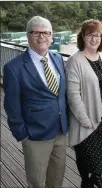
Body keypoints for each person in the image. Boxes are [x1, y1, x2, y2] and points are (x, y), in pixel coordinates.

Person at [3, 16, 68, 188]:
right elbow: (11, 105)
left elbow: (61, 94)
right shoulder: (14, 67)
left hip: (60, 132)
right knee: (37, 182)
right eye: (36, 32)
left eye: (45, 33)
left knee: (57, 179)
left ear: (51, 36)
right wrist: (23, 135)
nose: (41, 37)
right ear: (28, 36)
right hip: (35, 136)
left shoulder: (58, 59)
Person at [66, 19, 102, 188]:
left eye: (97, 35)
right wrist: (84, 119)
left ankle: (97, 178)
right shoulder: (74, 60)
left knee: (99, 154)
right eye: (90, 35)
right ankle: (87, 181)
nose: (94, 39)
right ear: (83, 37)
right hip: (85, 118)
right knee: (86, 155)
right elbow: (73, 95)